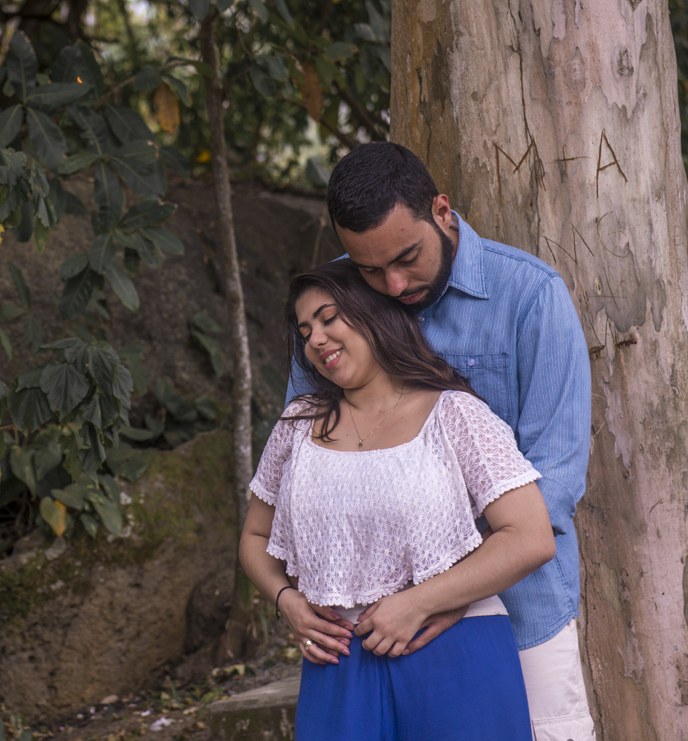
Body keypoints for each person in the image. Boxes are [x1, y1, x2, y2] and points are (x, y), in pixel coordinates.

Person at [286, 142, 594, 741]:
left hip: (521, 606)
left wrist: (448, 596)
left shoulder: (530, 295)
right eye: (370, 269)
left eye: (406, 257)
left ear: (442, 212)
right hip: (372, 626)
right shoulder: (337, 301)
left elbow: (553, 484)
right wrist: (289, 596)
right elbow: (305, 455)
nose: (393, 284)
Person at [242, 259, 556, 739]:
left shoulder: (455, 414)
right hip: (337, 660)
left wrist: (419, 602)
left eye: (329, 319)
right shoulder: (297, 425)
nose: (316, 340)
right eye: (305, 332)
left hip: (452, 649)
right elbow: (256, 535)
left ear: (374, 314)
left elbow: (531, 537)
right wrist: (286, 601)